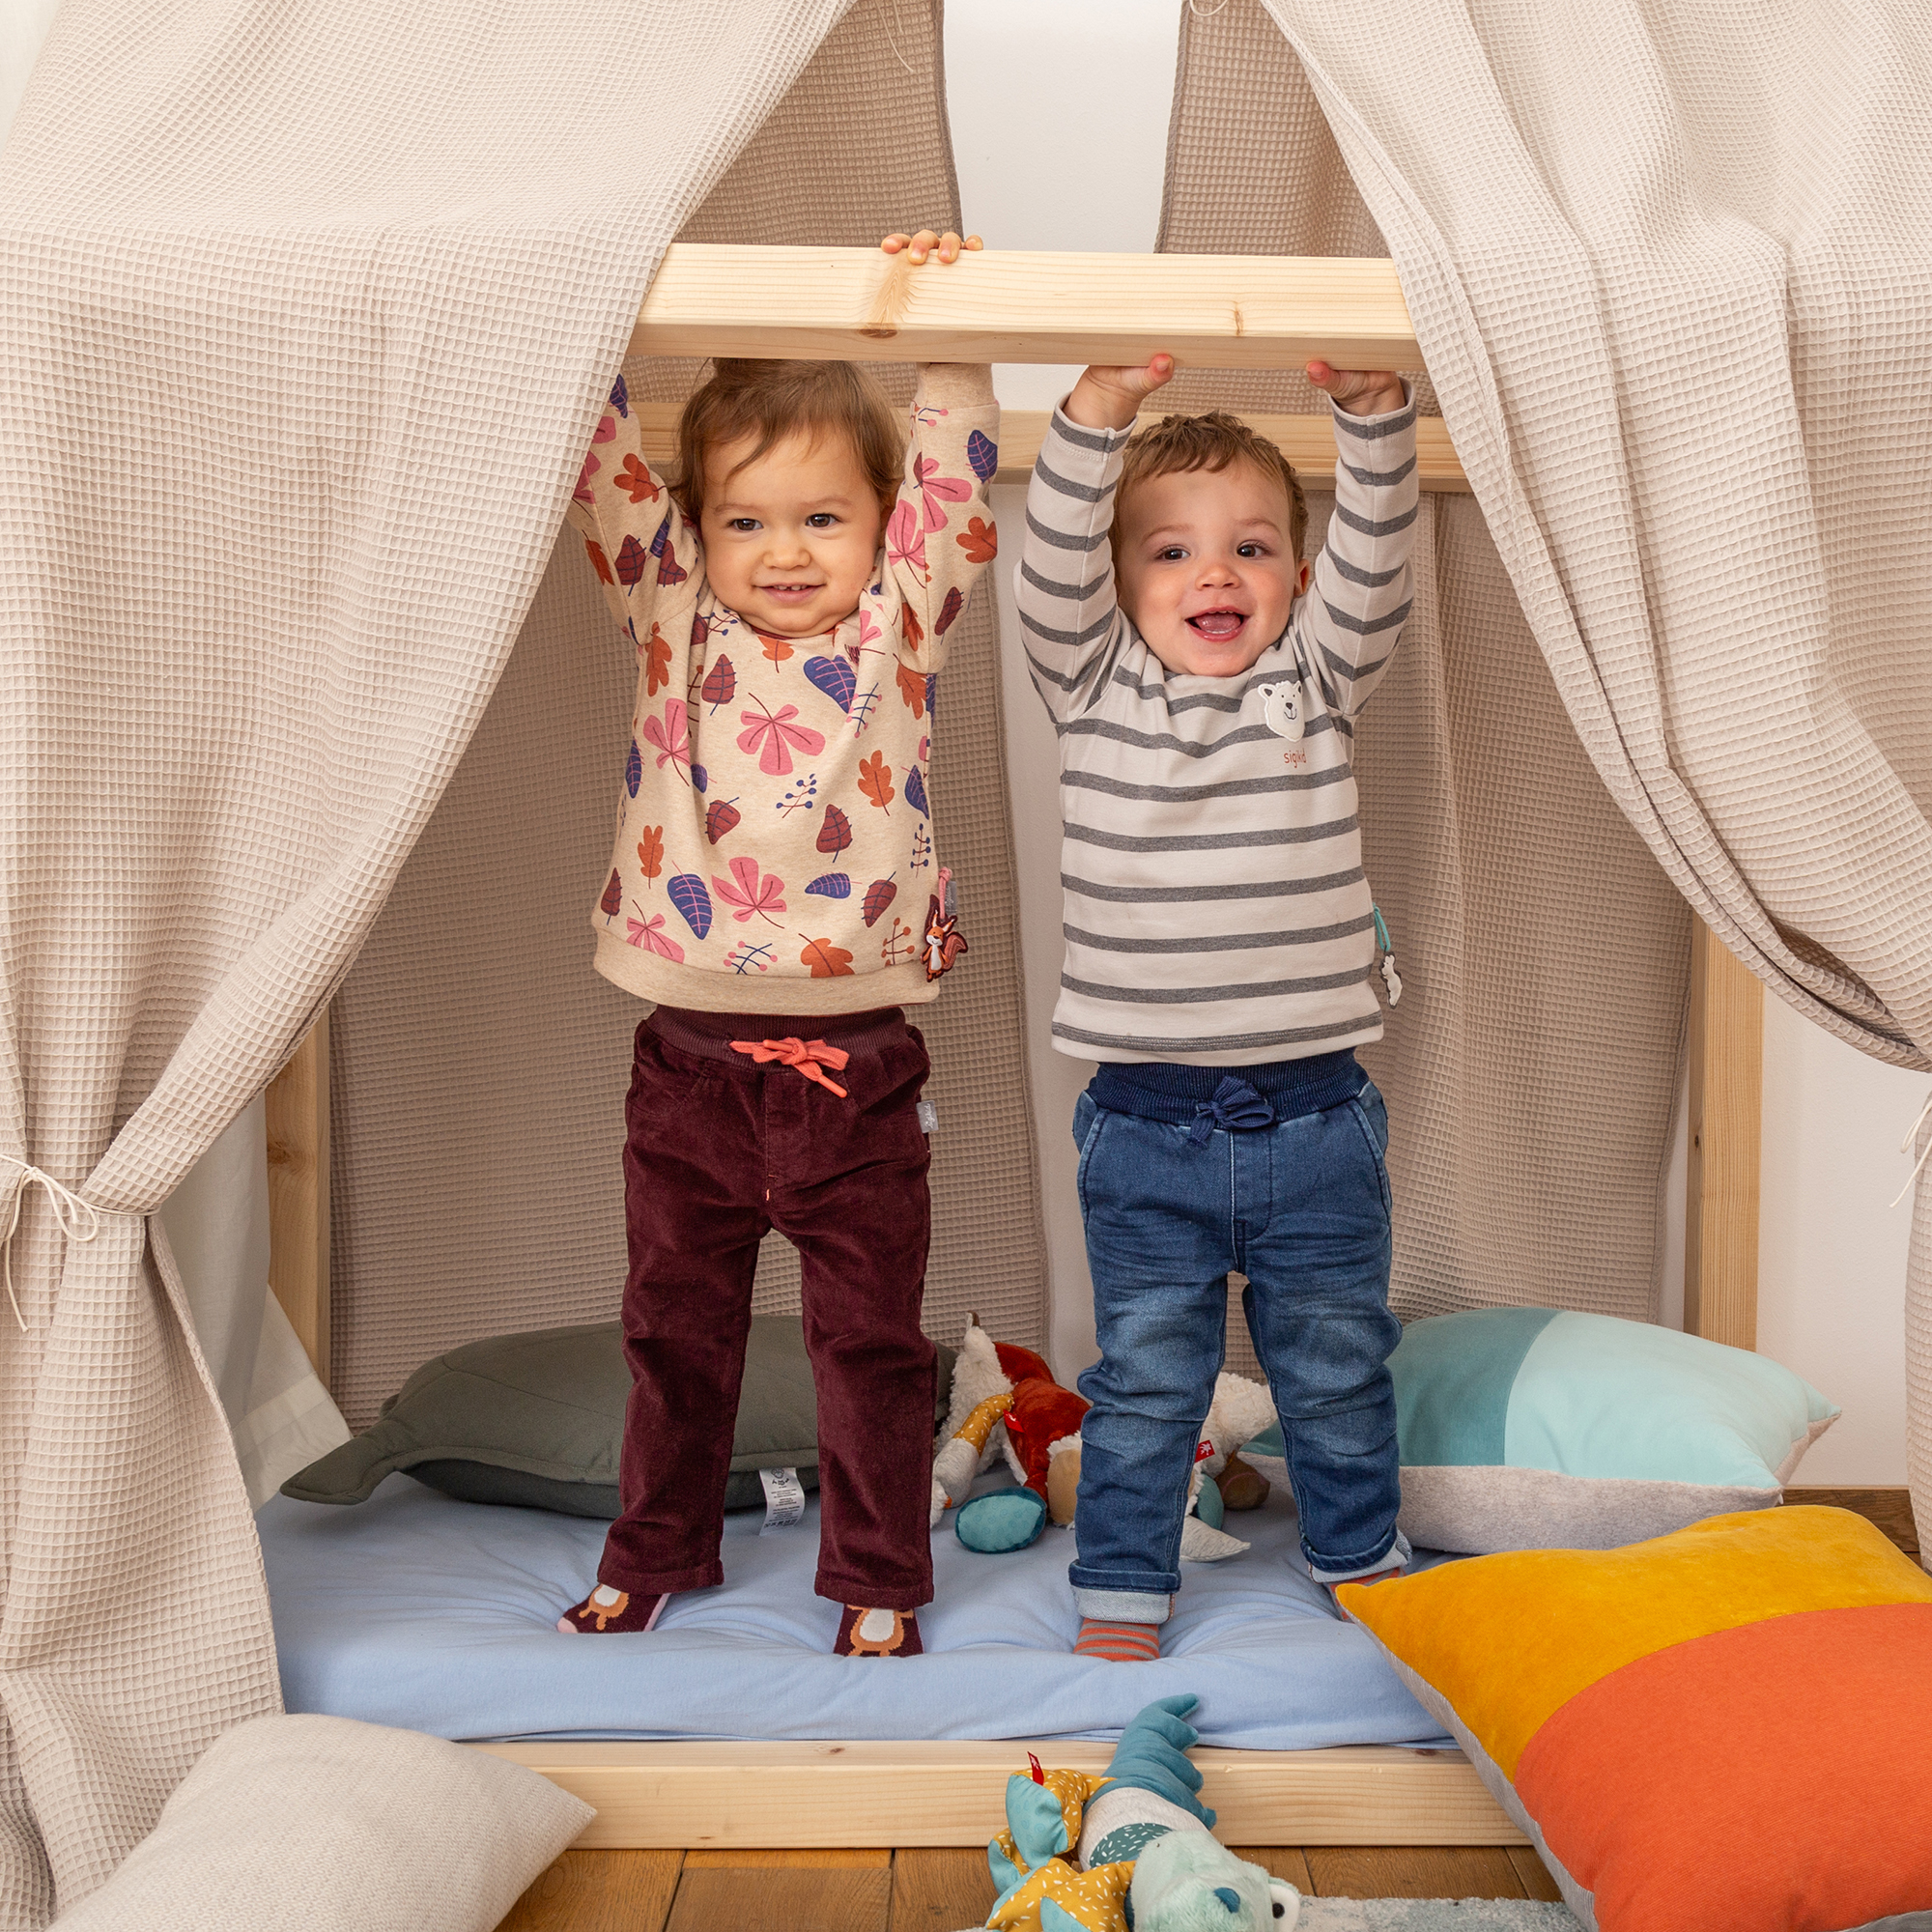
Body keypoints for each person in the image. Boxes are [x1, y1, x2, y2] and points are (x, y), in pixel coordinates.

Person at [555, 229, 997, 1657]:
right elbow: (605, 460)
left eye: (822, 519)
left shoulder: (900, 627)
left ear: (878, 529)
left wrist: (947, 321)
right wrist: (580, 272)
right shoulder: (669, 611)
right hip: (686, 1063)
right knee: (673, 1333)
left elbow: (955, 470)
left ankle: (878, 1577)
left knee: (866, 1344)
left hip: (857, 1069)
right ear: (696, 533)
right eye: (747, 521)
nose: (786, 552)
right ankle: (655, 1548)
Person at [1015, 349, 1419, 1660]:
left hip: (1317, 1117)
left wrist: (1371, 424)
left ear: (1296, 583)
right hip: (1144, 1122)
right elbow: (1048, 564)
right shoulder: (1088, 684)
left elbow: (1375, 558)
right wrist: (1091, 420)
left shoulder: (1319, 677)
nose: (1216, 576)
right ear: (1117, 582)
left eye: (1251, 549)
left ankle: (1360, 1553)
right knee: (1145, 1379)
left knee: (1338, 1369)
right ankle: (1125, 1587)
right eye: (1175, 552)